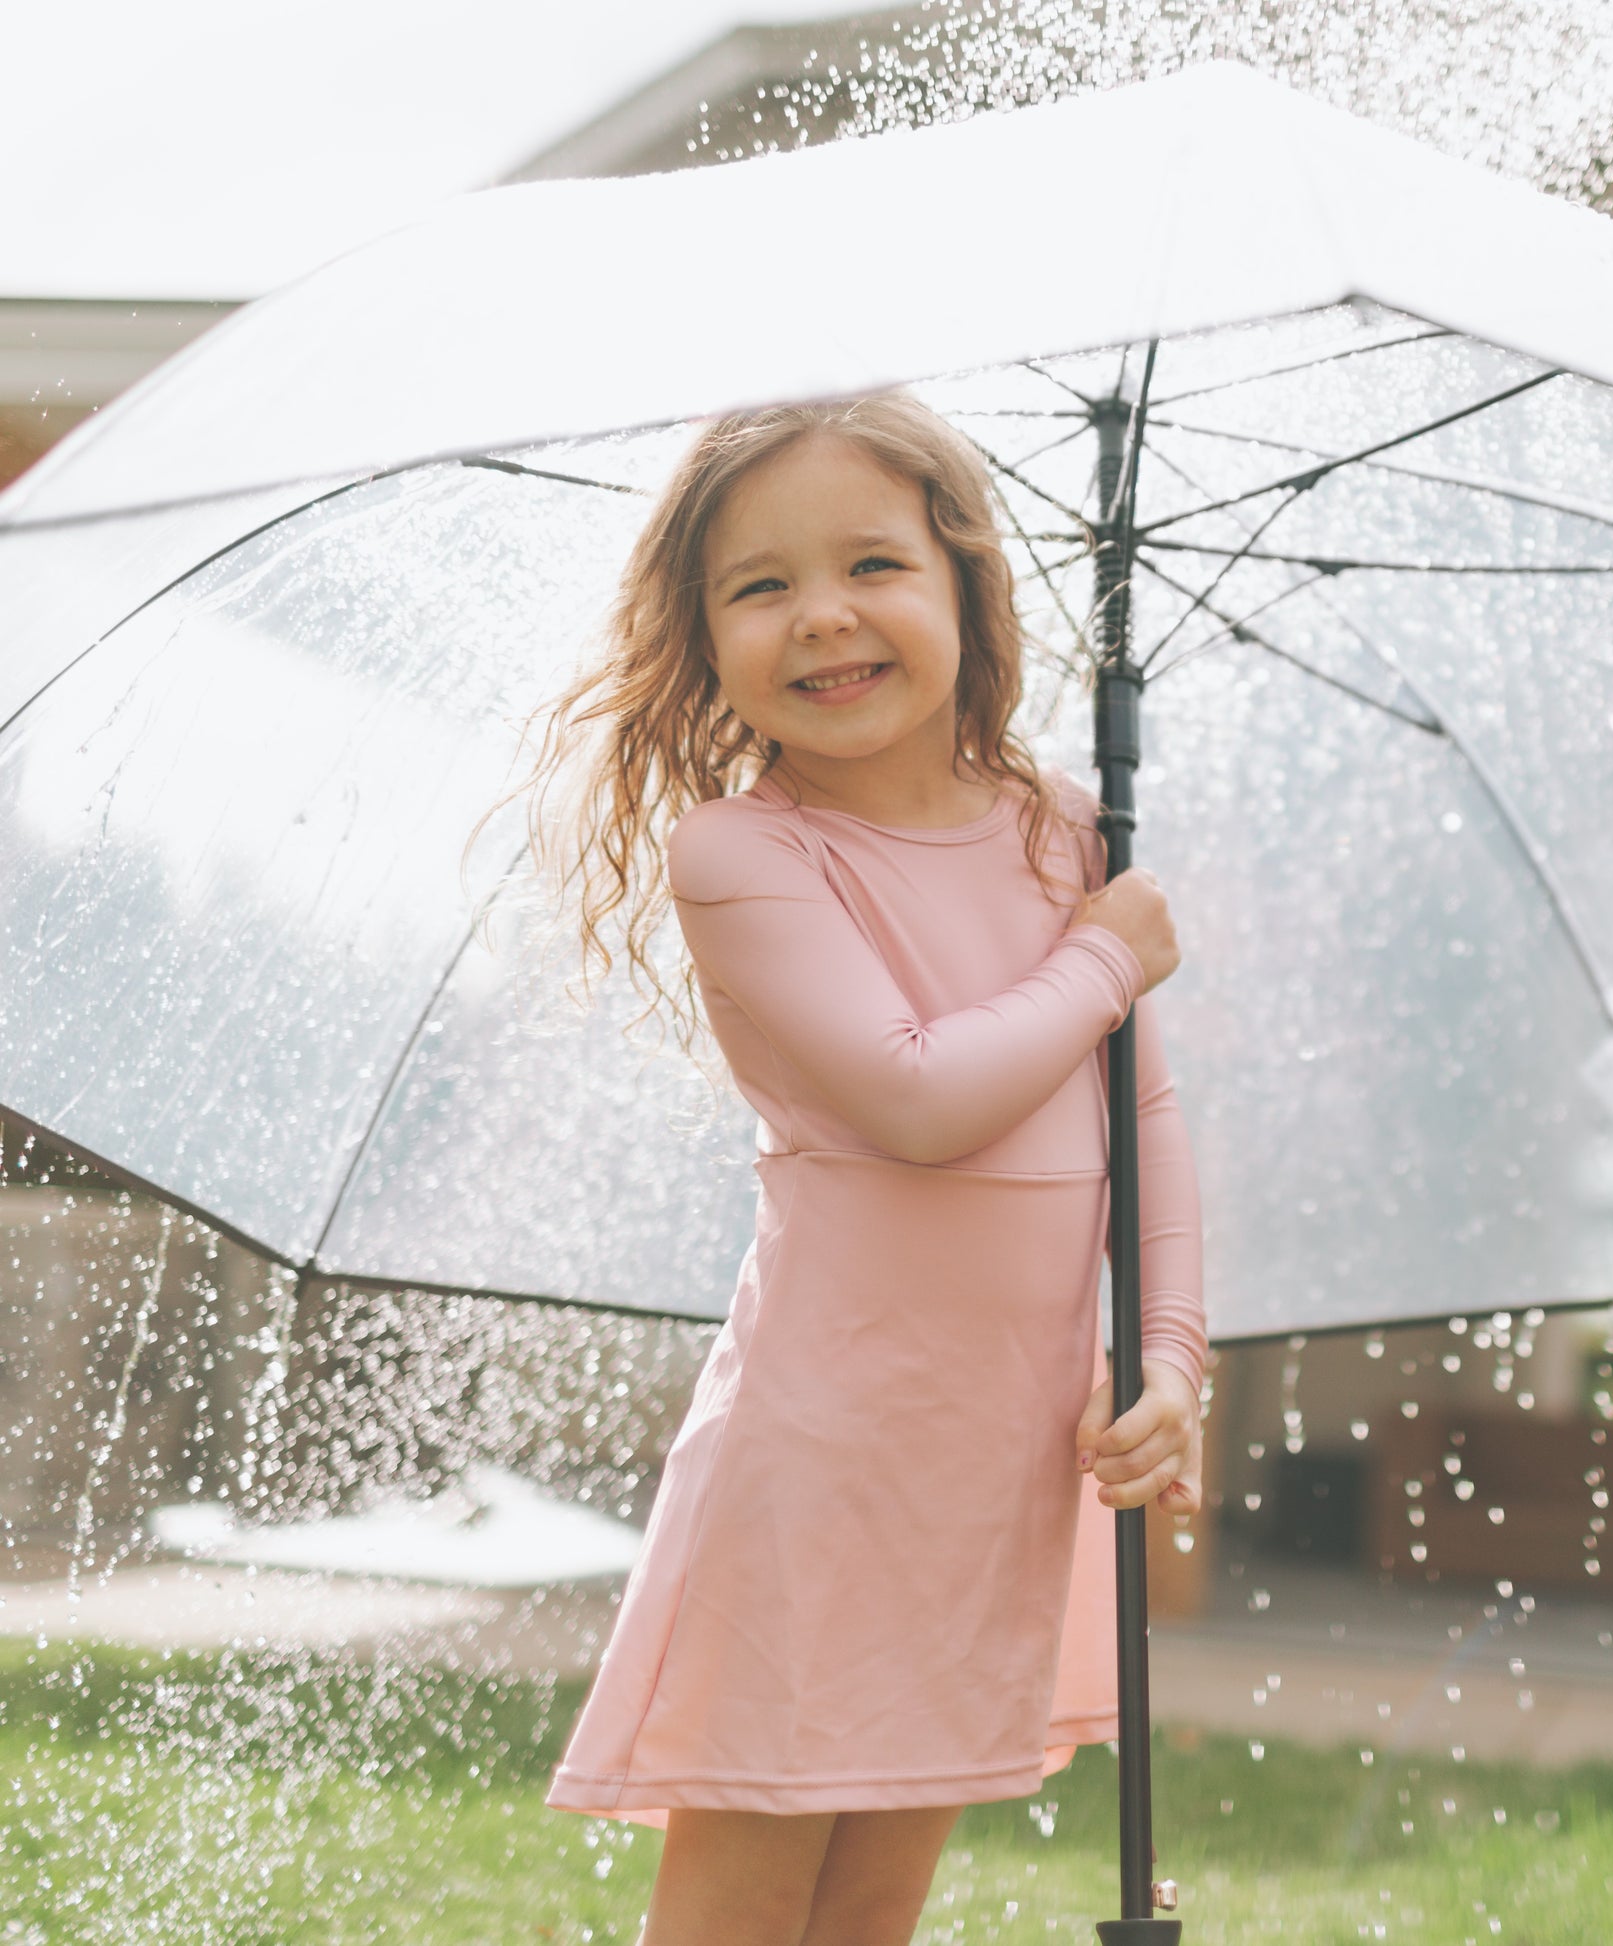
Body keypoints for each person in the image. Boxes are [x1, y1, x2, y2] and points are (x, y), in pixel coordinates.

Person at [508, 392, 1206, 1946]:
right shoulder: (748, 854)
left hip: (992, 1460)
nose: (820, 615)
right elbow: (915, 1099)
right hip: (823, 1456)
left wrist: (1165, 1352)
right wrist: (1105, 955)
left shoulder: (1063, 834)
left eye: (873, 564)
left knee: (873, 1906)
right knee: (749, 1902)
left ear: (966, 587)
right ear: (702, 639)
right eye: (759, 587)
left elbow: (1141, 1127)